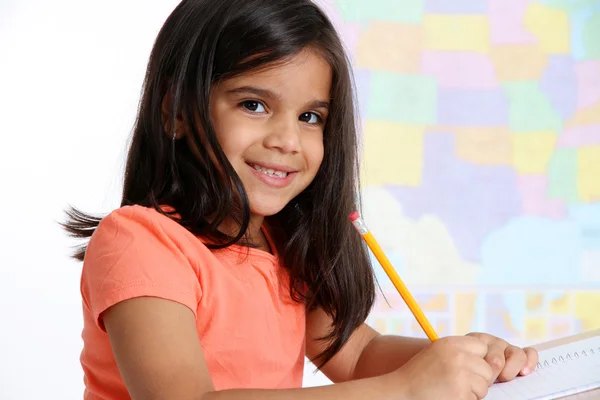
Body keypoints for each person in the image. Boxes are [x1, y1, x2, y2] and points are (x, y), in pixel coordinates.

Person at [63, 0, 538, 399]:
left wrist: (460, 360)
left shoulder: (282, 244)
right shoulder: (141, 240)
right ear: (177, 112)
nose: (288, 140)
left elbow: (358, 357)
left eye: (311, 117)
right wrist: (406, 389)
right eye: (254, 105)